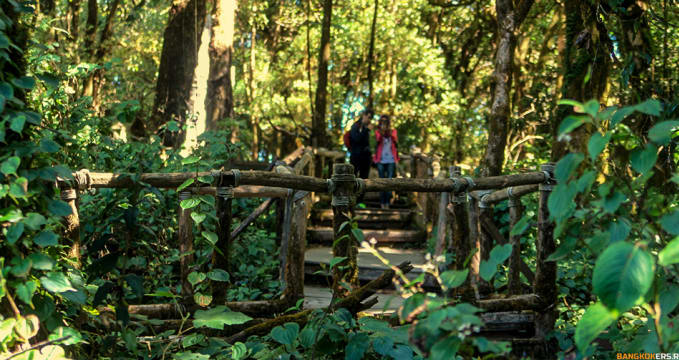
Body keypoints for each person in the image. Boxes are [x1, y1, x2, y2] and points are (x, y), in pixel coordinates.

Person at [373, 114, 399, 208]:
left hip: (391, 159)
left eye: (385, 122)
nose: (383, 123)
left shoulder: (393, 131)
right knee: (381, 181)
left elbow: (395, 139)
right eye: (382, 122)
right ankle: (382, 202)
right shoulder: (377, 132)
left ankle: (387, 202)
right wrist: (382, 131)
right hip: (380, 160)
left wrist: (388, 130)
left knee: (389, 180)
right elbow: (378, 139)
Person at [349, 109, 373, 179]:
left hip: (366, 157)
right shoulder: (356, 126)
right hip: (356, 156)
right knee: (353, 178)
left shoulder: (366, 127)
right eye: (368, 117)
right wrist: (367, 130)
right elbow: (356, 138)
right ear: (364, 115)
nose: (369, 119)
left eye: (371, 118)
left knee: (364, 179)